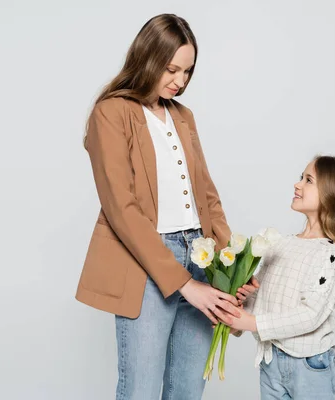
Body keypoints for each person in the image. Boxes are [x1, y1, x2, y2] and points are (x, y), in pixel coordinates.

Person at [75, 14, 243, 400]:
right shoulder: (111, 113)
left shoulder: (184, 116)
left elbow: (208, 197)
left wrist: (229, 264)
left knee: (187, 389)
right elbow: (121, 207)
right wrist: (184, 284)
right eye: (172, 69)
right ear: (148, 57)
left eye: (187, 71)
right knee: (142, 390)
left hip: (200, 256)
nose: (180, 81)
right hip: (144, 263)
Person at [224, 155, 335, 400]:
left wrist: (250, 322)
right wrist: (235, 315)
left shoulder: (330, 256)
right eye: (300, 178)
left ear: (333, 194)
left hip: (310, 367)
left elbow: (310, 315)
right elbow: (262, 300)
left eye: (308, 180)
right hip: (271, 361)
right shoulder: (279, 245)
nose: (297, 185)